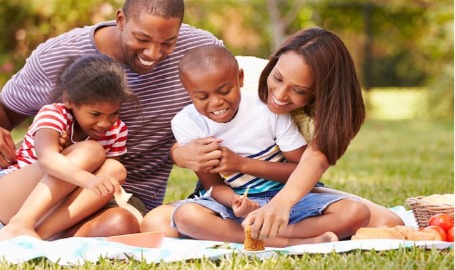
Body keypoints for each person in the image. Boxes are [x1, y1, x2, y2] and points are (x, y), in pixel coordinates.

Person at [144, 27, 404, 240]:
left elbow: (310, 164)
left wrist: (280, 203)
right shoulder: (236, 75)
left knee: (384, 221)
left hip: (294, 190)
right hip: (232, 196)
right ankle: (285, 238)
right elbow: (205, 171)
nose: (278, 96)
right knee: (160, 222)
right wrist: (180, 153)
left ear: (321, 92)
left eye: (299, 91)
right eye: (278, 78)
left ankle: (274, 236)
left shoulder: (331, 112)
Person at [0, 0, 223, 238]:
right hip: (30, 191)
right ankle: (20, 224)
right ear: (120, 20)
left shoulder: (200, 51)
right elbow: (6, 112)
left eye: (168, 43)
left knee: (120, 224)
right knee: (90, 152)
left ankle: (34, 236)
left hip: (107, 197)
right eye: (142, 39)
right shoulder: (58, 55)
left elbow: (234, 98)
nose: (153, 53)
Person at [0, 54, 134, 241]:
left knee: (115, 170)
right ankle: (19, 223)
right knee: (92, 151)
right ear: (69, 100)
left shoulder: (117, 130)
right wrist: (87, 179)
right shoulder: (54, 114)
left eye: (114, 113)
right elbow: (47, 159)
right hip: (10, 195)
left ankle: (40, 235)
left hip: (52, 208)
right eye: (95, 114)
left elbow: (104, 178)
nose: (105, 123)